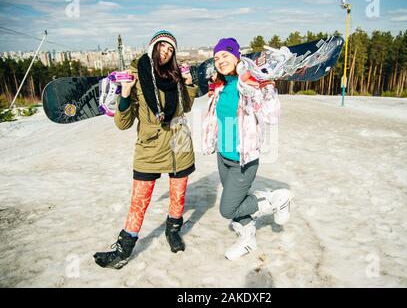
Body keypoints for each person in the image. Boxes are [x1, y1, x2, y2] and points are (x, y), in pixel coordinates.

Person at [94, 30, 197, 269]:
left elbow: (187, 107)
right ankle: (123, 249)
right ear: (153, 47)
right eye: (163, 46)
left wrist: (189, 84)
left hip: (179, 143)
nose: (166, 52)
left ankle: (172, 231)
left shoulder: (175, 76)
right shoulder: (136, 75)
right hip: (150, 146)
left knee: (178, 195)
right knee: (139, 201)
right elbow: (123, 123)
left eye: (171, 49)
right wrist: (126, 93)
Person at [202, 38, 292, 260]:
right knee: (238, 203)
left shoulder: (253, 81)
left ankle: (275, 199)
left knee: (228, 210)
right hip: (223, 156)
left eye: (225, 55)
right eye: (216, 58)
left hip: (244, 159)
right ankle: (247, 240)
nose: (220, 61)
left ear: (236, 55)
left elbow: (271, 116)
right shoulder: (221, 85)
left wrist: (263, 87)